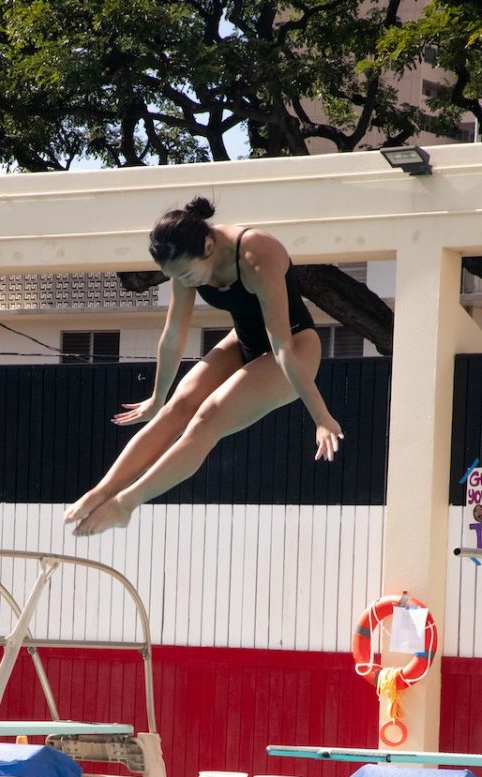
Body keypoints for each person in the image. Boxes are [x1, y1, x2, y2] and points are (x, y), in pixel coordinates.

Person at [64, 196, 343, 536]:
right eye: (174, 276)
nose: (185, 282)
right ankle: (102, 492)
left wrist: (321, 417)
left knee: (206, 419)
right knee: (176, 409)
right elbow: (172, 337)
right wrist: (157, 398)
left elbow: (281, 346)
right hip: (241, 340)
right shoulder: (184, 262)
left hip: (295, 348)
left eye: (185, 274)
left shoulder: (257, 255)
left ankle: (125, 505)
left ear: (209, 245)